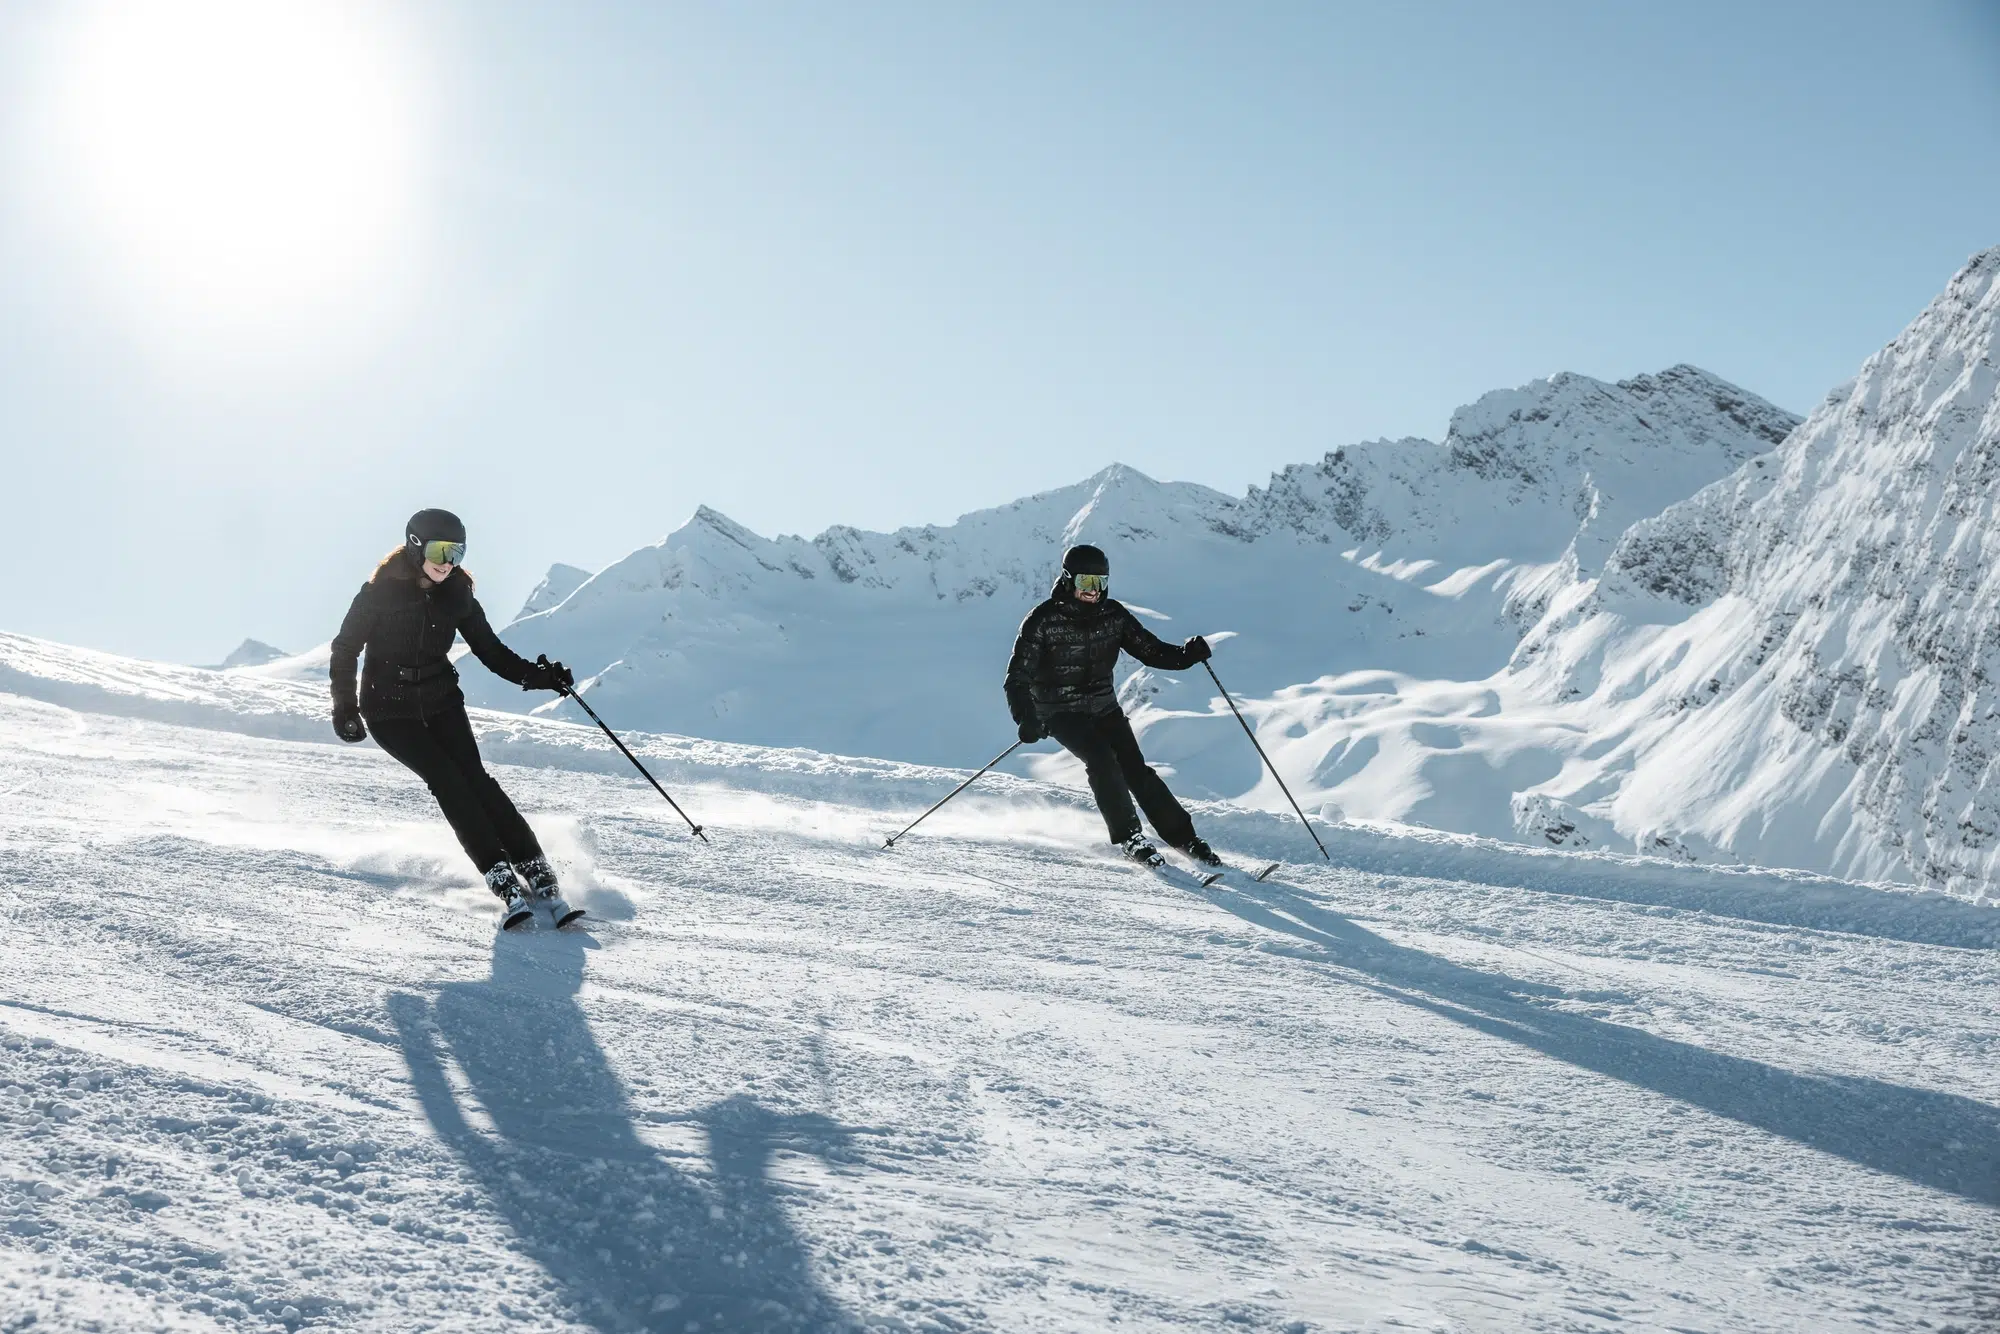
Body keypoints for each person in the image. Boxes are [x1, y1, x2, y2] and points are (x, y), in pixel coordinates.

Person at [330, 508, 582, 929]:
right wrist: (345, 705)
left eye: (458, 551)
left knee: (476, 779)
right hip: (388, 707)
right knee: (447, 779)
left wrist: (540, 678)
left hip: (440, 698)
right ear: (415, 546)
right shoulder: (378, 593)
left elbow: (492, 651)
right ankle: (499, 874)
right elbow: (344, 649)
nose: (449, 561)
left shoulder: (458, 594)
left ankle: (536, 868)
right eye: (441, 550)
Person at [1004, 543, 1222, 867]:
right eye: (1085, 583)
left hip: (1104, 707)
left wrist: (1186, 656)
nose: (1093, 591)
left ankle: (1184, 838)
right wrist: (1027, 717)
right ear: (1068, 580)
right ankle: (1130, 837)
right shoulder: (1043, 621)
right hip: (1060, 710)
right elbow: (1016, 678)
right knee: (1102, 759)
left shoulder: (1113, 616)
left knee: (1136, 769)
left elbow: (1151, 651)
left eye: (1100, 583)